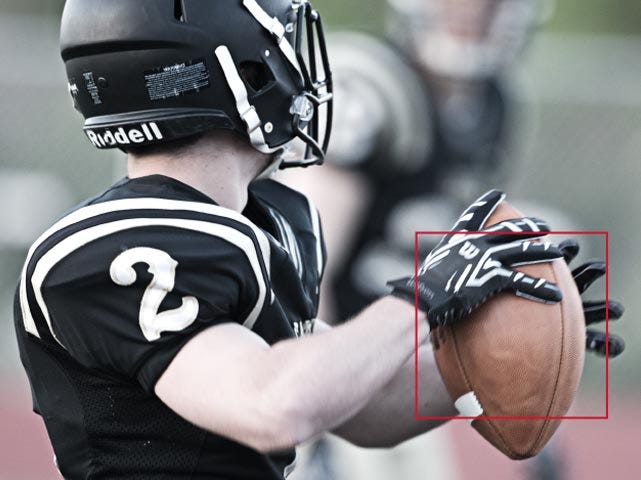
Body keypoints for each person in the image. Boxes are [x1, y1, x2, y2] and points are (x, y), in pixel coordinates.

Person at [13, 1, 622, 480]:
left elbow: (364, 407)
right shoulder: (113, 246)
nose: (297, 67)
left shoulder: (266, 224)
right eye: (277, 45)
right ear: (241, 73)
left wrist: (487, 347)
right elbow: (273, 404)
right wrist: (424, 295)